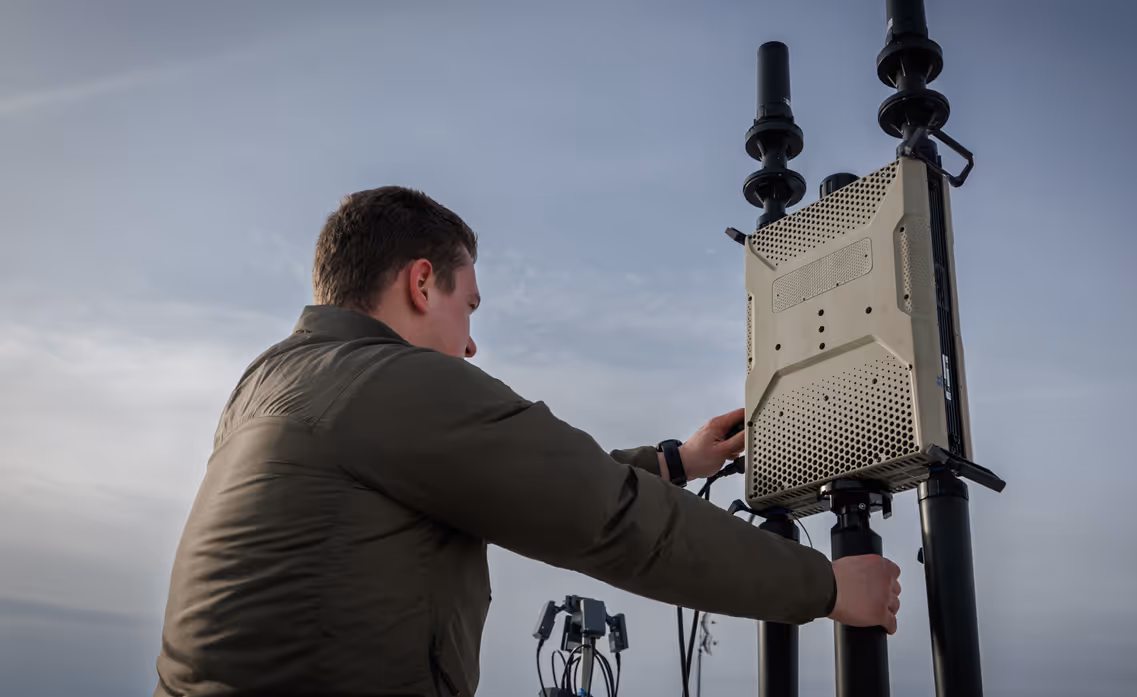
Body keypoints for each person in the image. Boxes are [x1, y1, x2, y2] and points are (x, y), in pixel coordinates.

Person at [154, 186, 901, 697]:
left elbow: (519, 472)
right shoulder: (396, 381)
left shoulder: (275, 381)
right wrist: (828, 587)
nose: (472, 343)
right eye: (467, 305)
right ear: (422, 283)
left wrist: (674, 461)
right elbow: (610, 519)